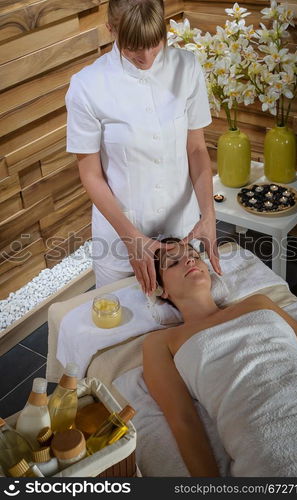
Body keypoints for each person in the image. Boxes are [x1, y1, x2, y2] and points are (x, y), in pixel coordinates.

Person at [65, 0, 221, 295]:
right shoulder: (87, 86)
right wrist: (131, 238)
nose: (146, 57)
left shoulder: (186, 67)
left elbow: (197, 150)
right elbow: (91, 175)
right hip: (121, 241)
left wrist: (208, 214)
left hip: (183, 233)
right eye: (134, 47)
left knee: (183, 323)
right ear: (111, 30)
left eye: (154, 43)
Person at [143, 238, 297, 477]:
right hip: (267, 442)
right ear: (161, 289)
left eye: (193, 255)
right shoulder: (161, 343)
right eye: (173, 262)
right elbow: (183, 421)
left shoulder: (258, 302)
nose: (189, 259)